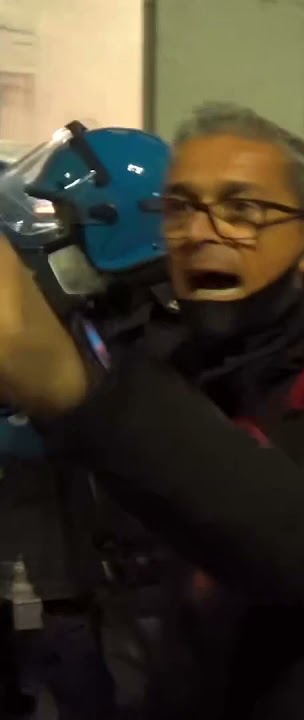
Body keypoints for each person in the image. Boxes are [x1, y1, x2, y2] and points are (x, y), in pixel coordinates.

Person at [0, 102, 304, 719]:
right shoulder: (190, 360)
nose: (200, 231)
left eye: (243, 210)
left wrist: (80, 390)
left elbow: (300, 547)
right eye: (180, 207)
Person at [0, 123, 178, 719]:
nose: (57, 234)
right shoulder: (100, 316)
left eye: (69, 219)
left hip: (154, 585)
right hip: (106, 569)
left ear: (116, 220)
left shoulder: (163, 338)